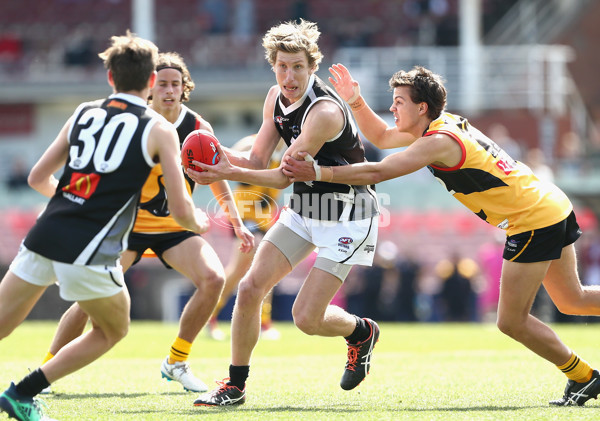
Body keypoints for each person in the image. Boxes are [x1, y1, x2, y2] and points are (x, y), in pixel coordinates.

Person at [282, 63, 600, 406]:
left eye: (398, 102)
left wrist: (317, 171)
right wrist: (357, 102)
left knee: (511, 321)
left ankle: (585, 377)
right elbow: (383, 138)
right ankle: (585, 378)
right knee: (572, 299)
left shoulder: (438, 141)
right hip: (548, 204)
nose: (392, 108)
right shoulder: (440, 125)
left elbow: (379, 169)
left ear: (421, 108)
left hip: (534, 219)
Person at [0, 31, 208, 421]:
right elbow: (181, 212)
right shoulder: (159, 128)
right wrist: (201, 222)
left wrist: (74, 204)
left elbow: (36, 179)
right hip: (92, 247)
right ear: (150, 82)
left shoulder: (83, 112)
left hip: (45, 233)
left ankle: (22, 394)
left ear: (110, 77)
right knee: (112, 330)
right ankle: (22, 394)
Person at [186, 20, 381, 406]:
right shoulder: (275, 97)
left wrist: (227, 171)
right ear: (272, 66)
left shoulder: (323, 111)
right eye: (282, 66)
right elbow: (257, 157)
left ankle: (361, 332)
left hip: (349, 213)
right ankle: (234, 387)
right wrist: (212, 153)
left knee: (306, 318)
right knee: (249, 287)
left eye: (297, 67)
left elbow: (279, 177)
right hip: (307, 208)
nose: (289, 76)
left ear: (313, 68)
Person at [36, 51, 254, 394]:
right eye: (162, 83)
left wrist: (236, 221)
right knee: (87, 301)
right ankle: (46, 369)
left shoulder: (197, 127)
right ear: (150, 86)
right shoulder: (137, 122)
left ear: (185, 89)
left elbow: (217, 175)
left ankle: (176, 361)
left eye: (176, 84)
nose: (169, 90)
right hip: (126, 228)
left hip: (175, 227)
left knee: (213, 279)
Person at [207, 134, 284, 342]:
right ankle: (208, 316)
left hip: (264, 219)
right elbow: (224, 164)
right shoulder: (252, 144)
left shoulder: (290, 148)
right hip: (244, 217)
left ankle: (264, 323)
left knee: (268, 269)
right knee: (240, 269)